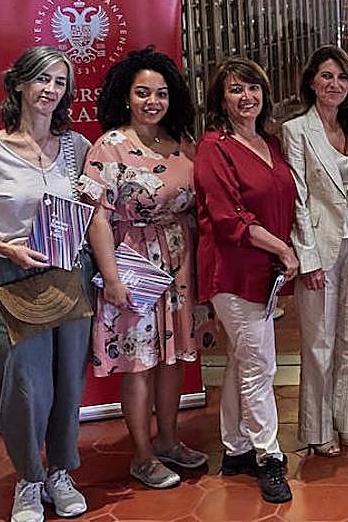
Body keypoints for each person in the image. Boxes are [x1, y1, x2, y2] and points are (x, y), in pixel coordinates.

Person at [0, 47, 93, 522]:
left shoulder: (76, 147)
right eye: (42, 79)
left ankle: (60, 472)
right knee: (24, 389)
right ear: (18, 85)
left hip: (68, 277)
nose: (51, 89)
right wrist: (8, 248)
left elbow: (90, 212)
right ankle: (29, 480)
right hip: (13, 280)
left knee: (68, 382)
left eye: (60, 82)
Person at [81, 48, 208, 490]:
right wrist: (111, 277)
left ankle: (170, 440)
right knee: (139, 362)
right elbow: (96, 215)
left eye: (160, 93)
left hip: (180, 264)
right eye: (142, 93)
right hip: (133, 264)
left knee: (174, 358)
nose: (152, 101)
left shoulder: (182, 142)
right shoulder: (109, 146)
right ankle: (142, 454)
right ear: (125, 97)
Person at [195, 57, 299, 504]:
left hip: (265, 271)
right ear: (221, 98)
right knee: (261, 365)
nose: (247, 97)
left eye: (253, 87)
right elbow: (228, 218)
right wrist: (281, 248)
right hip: (232, 271)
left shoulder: (269, 142)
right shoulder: (214, 148)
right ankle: (268, 456)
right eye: (236, 89)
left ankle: (236, 448)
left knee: (243, 358)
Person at [280, 46, 348, 457]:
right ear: (312, 83)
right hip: (321, 245)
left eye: (341, 78)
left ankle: (346, 420)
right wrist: (307, 258)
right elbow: (297, 197)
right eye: (326, 77)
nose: (334, 85)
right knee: (319, 342)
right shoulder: (297, 130)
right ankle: (318, 430)